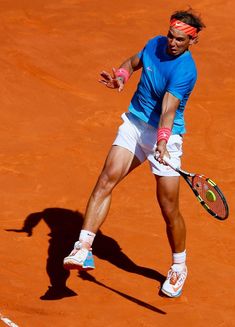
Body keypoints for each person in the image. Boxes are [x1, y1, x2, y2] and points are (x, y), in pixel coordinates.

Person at [63, 9, 205, 298]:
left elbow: (168, 110)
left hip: (166, 137)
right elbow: (133, 62)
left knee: (169, 209)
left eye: (179, 39)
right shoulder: (154, 44)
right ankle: (83, 248)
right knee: (106, 179)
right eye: (170, 35)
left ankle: (179, 265)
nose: (172, 42)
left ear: (192, 42)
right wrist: (121, 76)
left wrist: (162, 143)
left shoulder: (185, 71)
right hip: (135, 124)